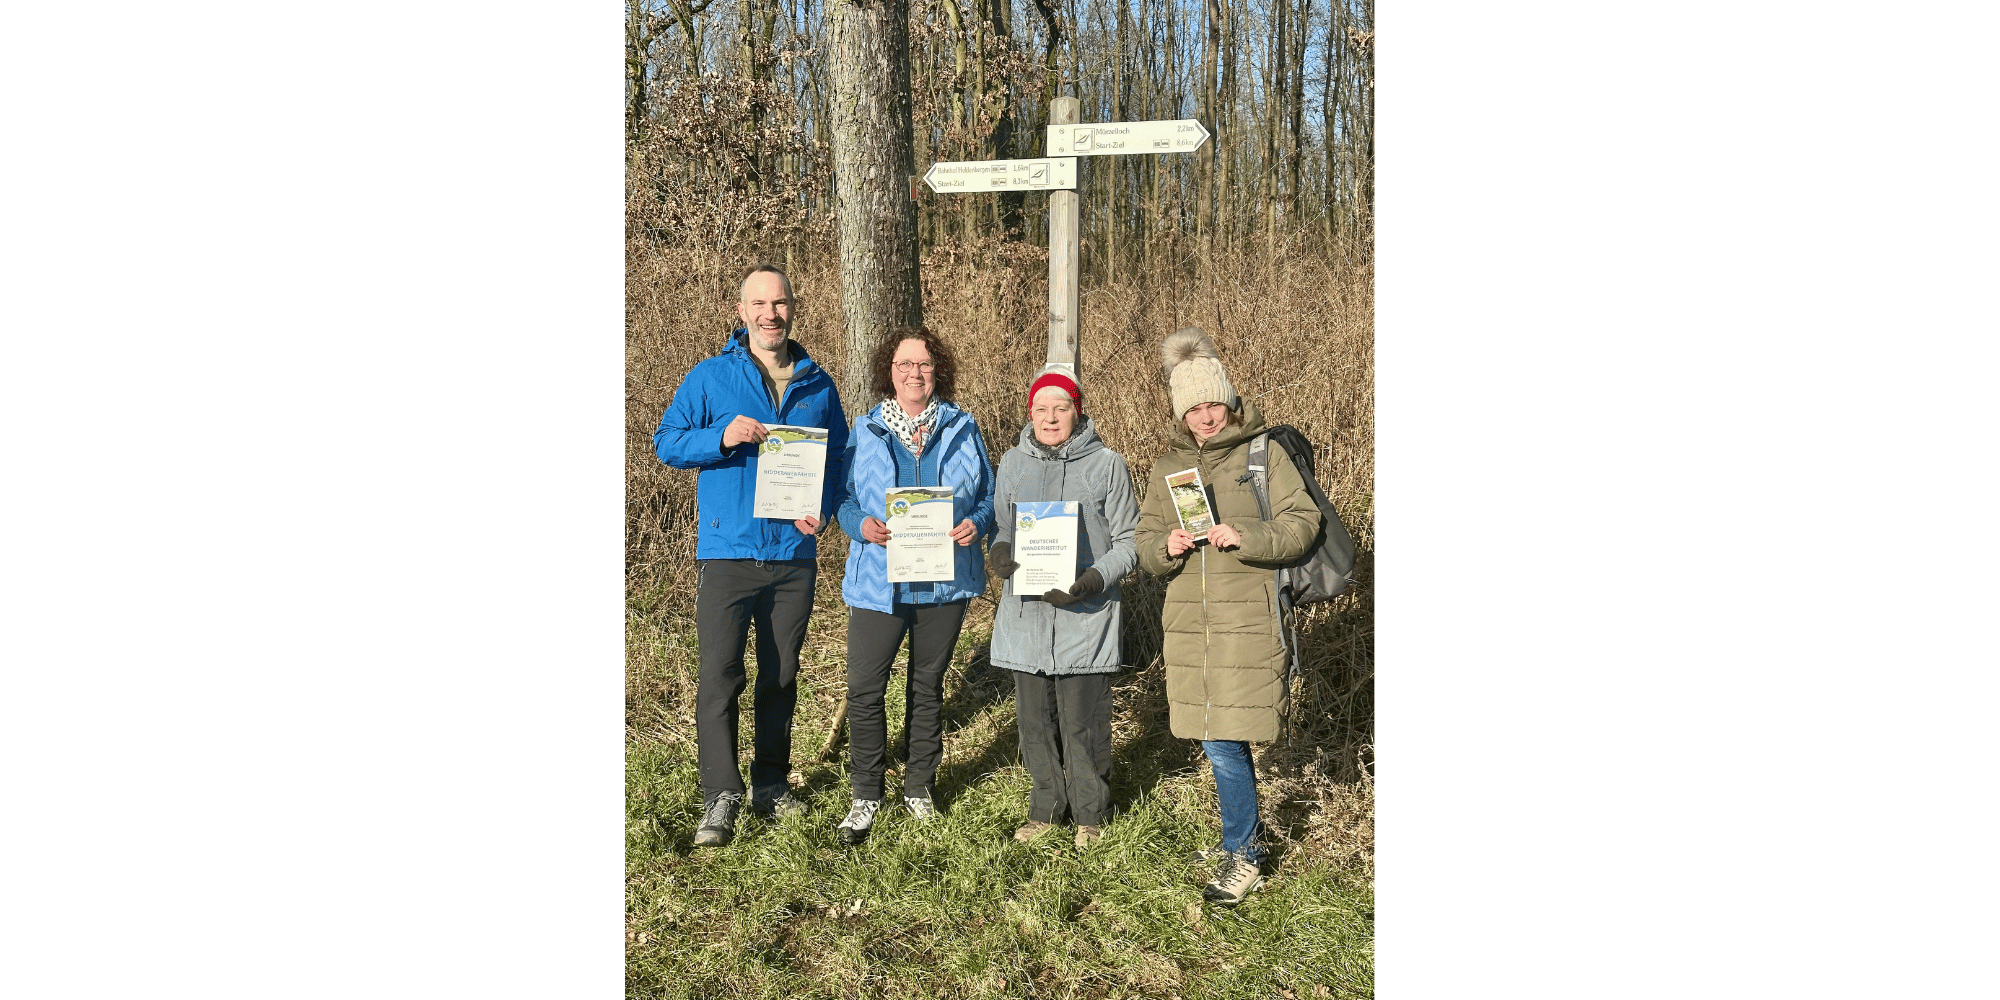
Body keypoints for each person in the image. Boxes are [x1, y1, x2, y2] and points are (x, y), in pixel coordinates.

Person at [652, 264, 849, 848]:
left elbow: (838, 459)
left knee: (781, 675)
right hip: (728, 552)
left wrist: (825, 508)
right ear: (742, 312)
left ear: (793, 308)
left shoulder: (818, 385)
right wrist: (722, 437)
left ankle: (770, 782)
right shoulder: (712, 376)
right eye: (759, 304)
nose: (770, 314)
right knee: (720, 675)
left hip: (793, 556)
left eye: (779, 303)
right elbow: (666, 441)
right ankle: (721, 792)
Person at [1135, 328, 1322, 904]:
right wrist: (1164, 547)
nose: (1206, 417)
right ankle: (1238, 839)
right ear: (1180, 413)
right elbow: (1143, 543)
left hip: (1247, 619)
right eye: (1193, 409)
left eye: (1213, 403)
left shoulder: (1263, 454)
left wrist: (1246, 535)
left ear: (1230, 399)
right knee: (1214, 733)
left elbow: (1304, 523)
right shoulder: (1167, 465)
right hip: (1189, 623)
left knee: (1224, 738)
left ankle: (1245, 853)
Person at [831, 326, 995, 845]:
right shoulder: (866, 429)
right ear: (890, 371)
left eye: (924, 364)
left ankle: (919, 786)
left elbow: (989, 495)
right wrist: (860, 525)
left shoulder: (963, 427)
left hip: (943, 584)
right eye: (904, 364)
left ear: (937, 370)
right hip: (879, 583)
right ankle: (866, 793)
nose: (915, 373)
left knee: (927, 687)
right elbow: (841, 497)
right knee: (865, 688)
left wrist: (977, 524)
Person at [987, 370, 1139, 850]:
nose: (1050, 418)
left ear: (1078, 411)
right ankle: (1046, 810)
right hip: (1027, 617)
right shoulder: (1012, 463)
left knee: (1082, 723)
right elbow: (1003, 527)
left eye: (1060, 408)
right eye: (1041, 409)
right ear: (1029, 413)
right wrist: (999, 552)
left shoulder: (1107, 465)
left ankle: (1090, 814)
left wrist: (1094, 578)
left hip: (1085, 616)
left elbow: (1130, 541)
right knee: (1034, 722)